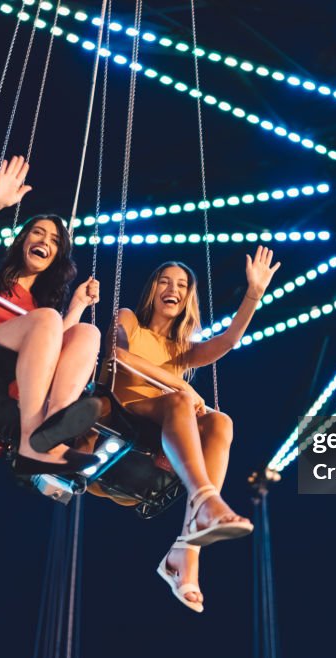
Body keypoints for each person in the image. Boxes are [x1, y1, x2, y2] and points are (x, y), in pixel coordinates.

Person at [108, 247, 281, 612]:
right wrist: (181, 386)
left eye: (182, 285)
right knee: (180, 401)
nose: (173, 289)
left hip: (163, 425)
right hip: (123, 413)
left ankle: (186, 549)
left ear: (188, 298)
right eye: (165, 282)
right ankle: (206, 503)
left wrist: (253, 295)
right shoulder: (129, 321)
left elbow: (229, 341)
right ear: (152, 290)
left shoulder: (181, 350)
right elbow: (118, 356)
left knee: (221, 421)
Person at [0, 155, 102, 475]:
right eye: (37, 233)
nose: (44, 241)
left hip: (8, 388)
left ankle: (51, 431)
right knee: (49, 319)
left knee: (87, 333)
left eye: (54, 240)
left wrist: (78, 307)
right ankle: (31, 441)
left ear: (57, 258)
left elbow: (54, 351)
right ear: (22, 241)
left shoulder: (41, 313)